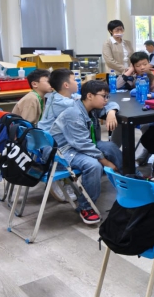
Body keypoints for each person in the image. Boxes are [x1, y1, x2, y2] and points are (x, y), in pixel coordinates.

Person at [50, 80, 123, 224]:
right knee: (93, 165)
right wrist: (105, 162)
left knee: (110, 147)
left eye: (107, 96)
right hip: (63, 151)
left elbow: (112, 104)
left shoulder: (91, 108)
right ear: (89, 96)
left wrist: (111, 112)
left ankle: (131, 178)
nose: (106, 100)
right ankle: (86, 207)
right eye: (104, 96)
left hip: (82, 145)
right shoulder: (73, 113)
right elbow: (83, 145)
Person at [39, 69, 119, 134]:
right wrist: (111, 110)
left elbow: (89, 100)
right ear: (66, 85)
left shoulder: (58, 95)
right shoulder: (64, 103)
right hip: (52, 140)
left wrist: (111, 112)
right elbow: (88, 102)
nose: (78, 82)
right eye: (74, 80)